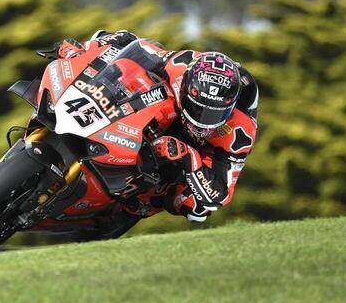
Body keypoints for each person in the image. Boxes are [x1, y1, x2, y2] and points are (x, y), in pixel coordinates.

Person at [56, 30, 259, 223]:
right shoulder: (179, 66)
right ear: (187, 87)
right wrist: (83, 49)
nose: (203, 119)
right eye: (199, 109)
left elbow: (219, 194)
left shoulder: (239, 132)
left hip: (202, 149)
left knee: (196, 208)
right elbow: (129, 42)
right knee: (131, 71)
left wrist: (189, 157)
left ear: (230, 107)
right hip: (173, 106)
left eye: (214, 113)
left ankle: (139, 206)